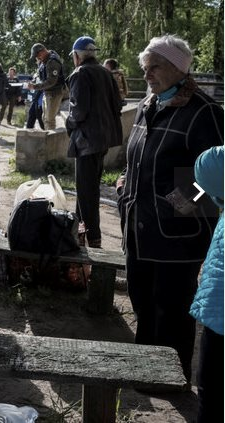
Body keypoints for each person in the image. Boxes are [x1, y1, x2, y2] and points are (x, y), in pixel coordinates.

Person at [116, 34, 223, 383]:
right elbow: (136, 157)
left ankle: (172, 381)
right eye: (145, 68)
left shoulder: (204, 112)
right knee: (143, 304)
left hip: (176, 235)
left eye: (155, 67)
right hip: (137, 229)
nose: (147, 75)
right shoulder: (150, 104)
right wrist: (123, 183)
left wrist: (172, 205)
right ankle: (145, 372)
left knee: (172, 310)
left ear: (178, 68)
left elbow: (213, 177)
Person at [65, 36, 123, 248]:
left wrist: (68, 125)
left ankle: (94, 240)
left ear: (77, 55)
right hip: (103, 140)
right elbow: (118, 104)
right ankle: (76, 233)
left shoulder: (80, 73)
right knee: (87, 188)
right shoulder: (106, 73)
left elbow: (77, 112)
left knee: (87, 192)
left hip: (87, 141)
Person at [190, 145, 223, 423]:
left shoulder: (202, 114)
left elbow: (208, 169)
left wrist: (175, 204)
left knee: (212, 391)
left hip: (220, 311)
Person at [28, 43, 66, 130]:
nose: (37, 58)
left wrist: (35, 87)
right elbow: (42, 76)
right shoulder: (45, 61)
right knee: (44, 118)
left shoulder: (52, 62)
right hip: (47, 92)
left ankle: (50, 141)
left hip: (54, 93)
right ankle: (48, 137)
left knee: (49, 120)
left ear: (42, 52)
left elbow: (51, 82)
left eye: (37, 56)